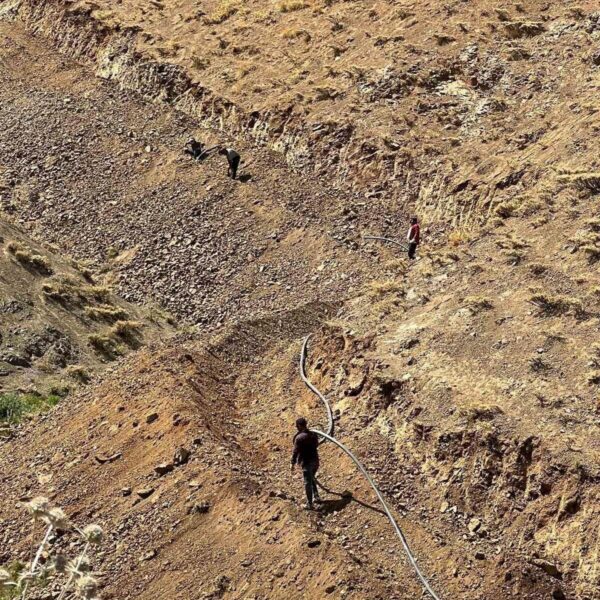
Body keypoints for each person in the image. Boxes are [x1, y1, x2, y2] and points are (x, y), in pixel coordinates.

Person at [291, 417, 321, 510]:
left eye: (297, 426)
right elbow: (317, 444)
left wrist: (292, 463)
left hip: (307, 462)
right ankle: (317, 496)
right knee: (312, 478)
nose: (296, 427)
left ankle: (310, 504)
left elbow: (295, 451)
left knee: (307, 482)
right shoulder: (313, 434)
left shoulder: (299, 438)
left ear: (299, 426)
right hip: (315, 461)